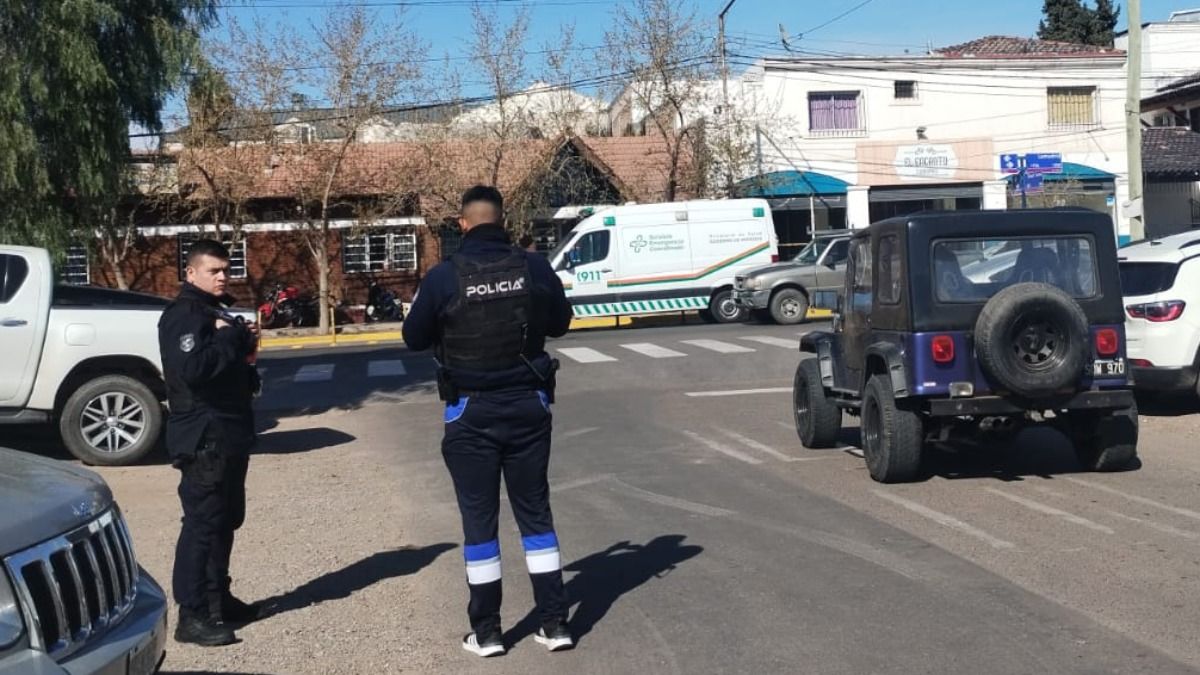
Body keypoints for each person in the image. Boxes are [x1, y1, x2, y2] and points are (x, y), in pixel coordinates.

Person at [403, 185, 575, 657]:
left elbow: (413, 337)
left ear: (462, 224)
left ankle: (488, 632)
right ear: (503, 221)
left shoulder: (444, 276)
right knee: (535, 515)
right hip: (528, 406)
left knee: (480, 523)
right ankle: (556, 624)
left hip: (471, 411)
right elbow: (561, 323)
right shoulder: (534, 267)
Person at [158, 239, 263, 647]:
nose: (222, 276)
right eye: (213, 270)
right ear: (191, 273)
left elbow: (226, 365)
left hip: (229, 433)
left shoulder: (215, 313)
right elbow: (194, 368)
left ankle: (219, 599)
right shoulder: (184, 315)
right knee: (202, 525)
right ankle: (193, 614)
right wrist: (228, 340)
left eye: (225, 269)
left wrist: (239, 341)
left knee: (225, 520)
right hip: (204, 436)